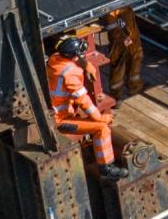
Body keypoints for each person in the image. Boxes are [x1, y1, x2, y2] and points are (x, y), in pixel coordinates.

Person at [48, 36, 118, 178]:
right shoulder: (70, 75)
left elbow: (74, 59)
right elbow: (83, 100)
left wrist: (86, 65)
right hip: (61, 121)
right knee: (101, 129)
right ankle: (106, 169)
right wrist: (100, 117)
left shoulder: (54, 59)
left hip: (54, 112)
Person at [101, 6, 144, 98]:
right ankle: (116, 96)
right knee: (118, 66)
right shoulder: (109, 14)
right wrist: (124, 39)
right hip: (119, 43)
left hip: (132, 40)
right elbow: (113, 29)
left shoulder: (125, 9)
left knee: (135, 58)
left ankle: (134, 86)